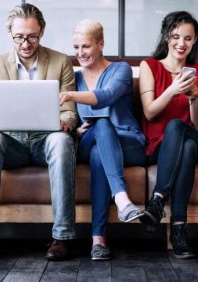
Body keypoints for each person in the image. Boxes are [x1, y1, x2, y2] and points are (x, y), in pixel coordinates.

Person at [0, 3, 77, 261]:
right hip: (12, 142)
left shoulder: (61, 61)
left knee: (62, 142)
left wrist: (66, 122)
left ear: (41, 31)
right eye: (19, 36)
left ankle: (61, 236)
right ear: (10, 34)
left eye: (32, 36)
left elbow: (70, 111)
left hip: (47, 140)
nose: (26, 43)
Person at [60, 19, 146, 260]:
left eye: (86, 46)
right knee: (99, 131)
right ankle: (123, 201)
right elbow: (70, 118)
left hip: (128, 142)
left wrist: (69, 95)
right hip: (87, 142)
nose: (80, 53)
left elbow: (106, 97)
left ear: (101, 44)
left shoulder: (121, 70)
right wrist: (75, 131)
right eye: (76, 47)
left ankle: (98, 241)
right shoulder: (73, 77)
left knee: (102, 132)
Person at [138, 11, 198, 258]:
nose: (181, 43)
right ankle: (179, 229)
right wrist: (171, 90)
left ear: (195, 40)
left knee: (182, 129)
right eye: (176, 36)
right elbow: (149, 113)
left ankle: (157, 200)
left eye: (188, 38)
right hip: (160, 144)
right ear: (167, 37)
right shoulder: (150, 66)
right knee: (180, 139)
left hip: (194, 137)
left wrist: (191, 97)